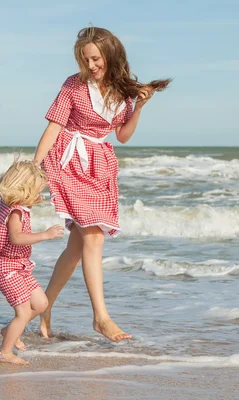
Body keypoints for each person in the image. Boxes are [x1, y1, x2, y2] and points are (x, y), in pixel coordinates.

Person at [33, 27, 171, 342]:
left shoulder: (124, 91)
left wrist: (138, 108)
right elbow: (54, 127)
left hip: (99, 166)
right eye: (86, 59)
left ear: (109, 54)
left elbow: (122, 136)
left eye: (95, 58)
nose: (91, 65)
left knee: (78, 246)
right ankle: (101, 317)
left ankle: (44, 305)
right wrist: (36, 166)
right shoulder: (73, 84)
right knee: (93, 238)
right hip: (69, 161)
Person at [0, 159, 64, 364]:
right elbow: (16, 238)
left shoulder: (13, 205)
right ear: (23, 189)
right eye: (37, 190)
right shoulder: (15, 212)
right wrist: (45, 235)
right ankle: (4, 353)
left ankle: (9, 330)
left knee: (41, 303)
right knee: (23, 313)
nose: (40, 195)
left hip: (20, 267)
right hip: (7, 268)